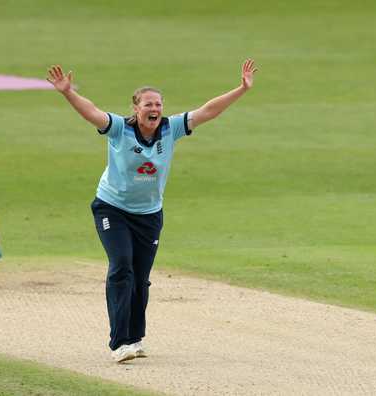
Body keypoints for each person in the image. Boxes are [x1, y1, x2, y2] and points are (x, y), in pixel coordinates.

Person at [46, 59, 258, 362]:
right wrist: (68, 93)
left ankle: (135, 338)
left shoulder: (171, 129)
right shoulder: (119, 128)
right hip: (112, 208)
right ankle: (119, 342)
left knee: (141, 278)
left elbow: (208, 111)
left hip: (149, 214)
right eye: (148, 104)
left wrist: (241, 89)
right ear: (136, 108)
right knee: (122, 267)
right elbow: (91, 112)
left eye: (158, 104)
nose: (154, 108)